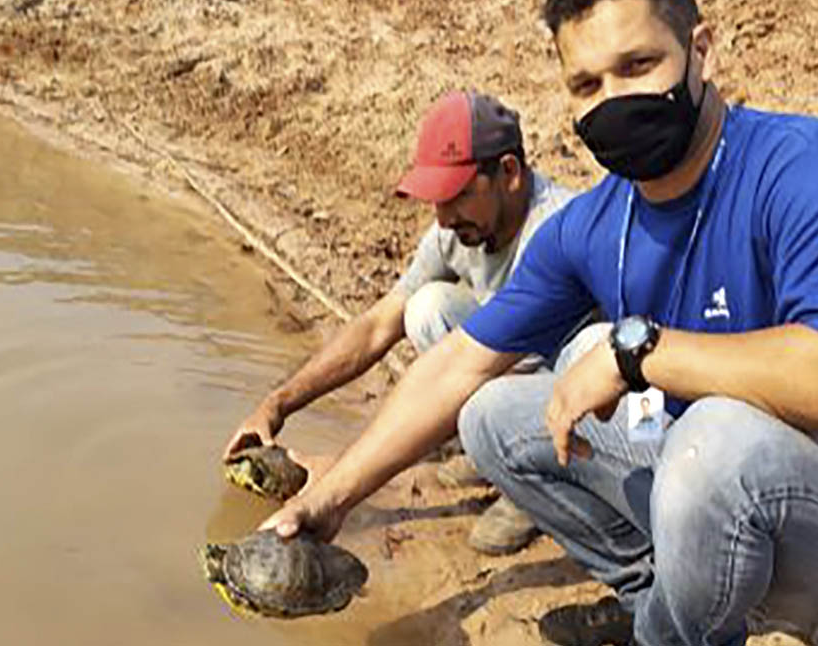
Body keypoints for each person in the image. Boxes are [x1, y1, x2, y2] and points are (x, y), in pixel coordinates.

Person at [258, 0, 818, 646]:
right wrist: (331, 497)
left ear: (702, 51)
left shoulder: (813, 168)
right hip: (701, 480)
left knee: (711, 439)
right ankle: (655, 600)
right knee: (492, 413)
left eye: (639, 65)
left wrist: (637, 353)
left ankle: (669, 634)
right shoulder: (595, 223)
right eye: (587, 85)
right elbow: (458, 362)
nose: (614, 101)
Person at [224, 89, 578, 556]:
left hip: (579, 395)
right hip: (507, 367)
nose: (444, 217)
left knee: (489, 391)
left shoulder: (556, 231)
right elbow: (376, 326)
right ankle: (489, 449)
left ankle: (538, 484)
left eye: (456, 195)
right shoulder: (460, 231)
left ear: (508, 173)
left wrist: (345, 475)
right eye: (436, 199)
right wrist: (278, 403)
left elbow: (475, 372)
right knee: (426, 307)